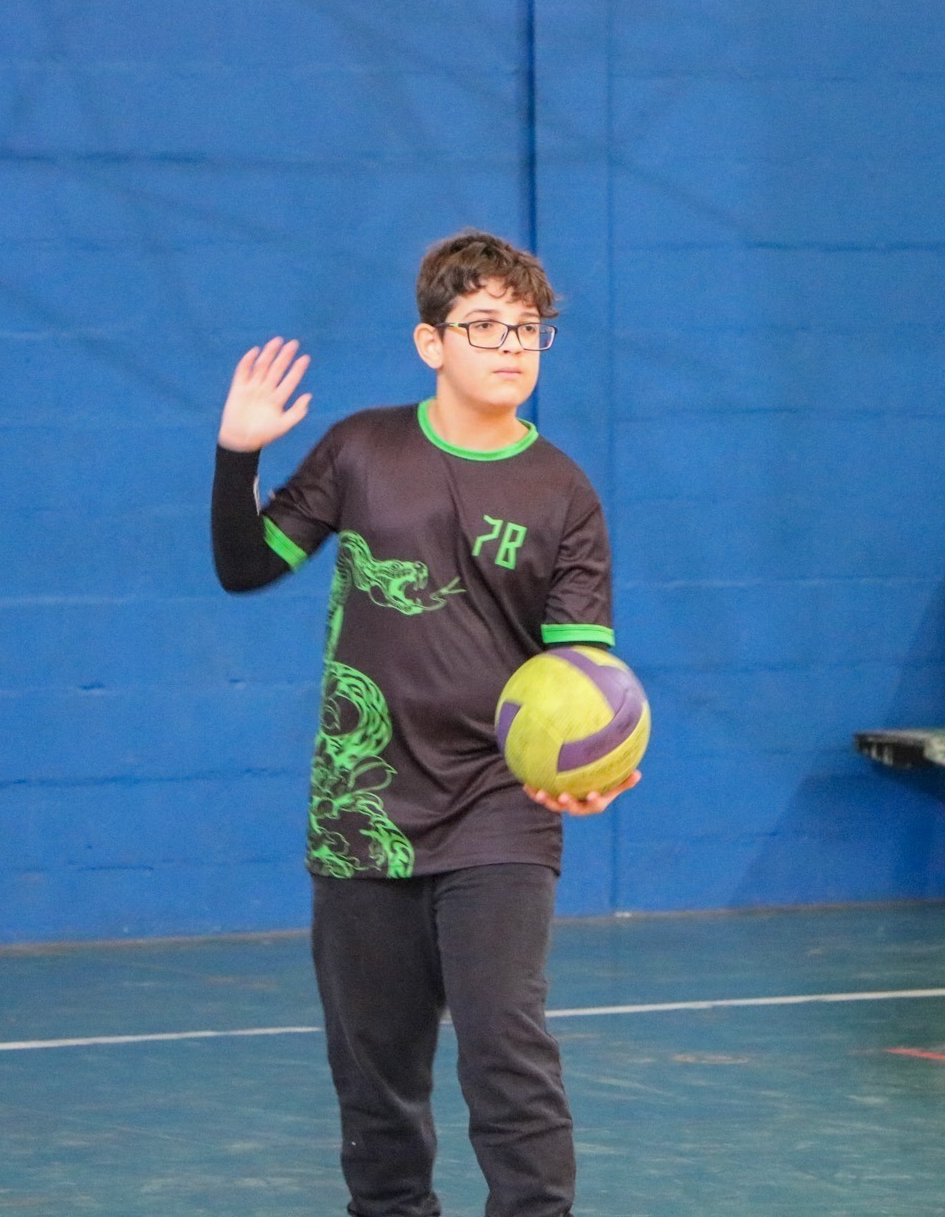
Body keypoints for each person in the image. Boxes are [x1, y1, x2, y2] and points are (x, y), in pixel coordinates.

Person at [209, 230, 637, 1217]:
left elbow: (583, 669)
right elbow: (244, 566)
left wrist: (590, 762)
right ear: (430, 342)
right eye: (483, 325)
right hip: (359, 808)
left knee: (505, 1052)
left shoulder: (563, 490)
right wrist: (238, 455)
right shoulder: (361, 449)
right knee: (376, 1081)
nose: (510, 346)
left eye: (527, 328)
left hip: (498, 804)